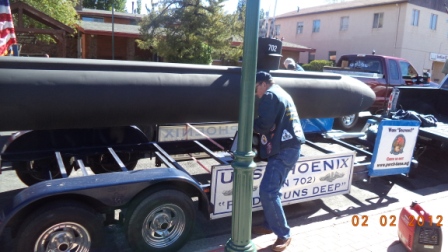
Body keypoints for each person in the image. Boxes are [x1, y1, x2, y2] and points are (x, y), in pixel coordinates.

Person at [252, 71, 306, 252]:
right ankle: (270, 224)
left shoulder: (269, 95)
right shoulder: (281, 92)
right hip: (291, 147)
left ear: (262, 84)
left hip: (283, 149)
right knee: (273, 190)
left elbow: (264, 124)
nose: (256, 94)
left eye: (256, 89)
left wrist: (247, 124)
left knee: (268, 191)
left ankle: (284, 234)